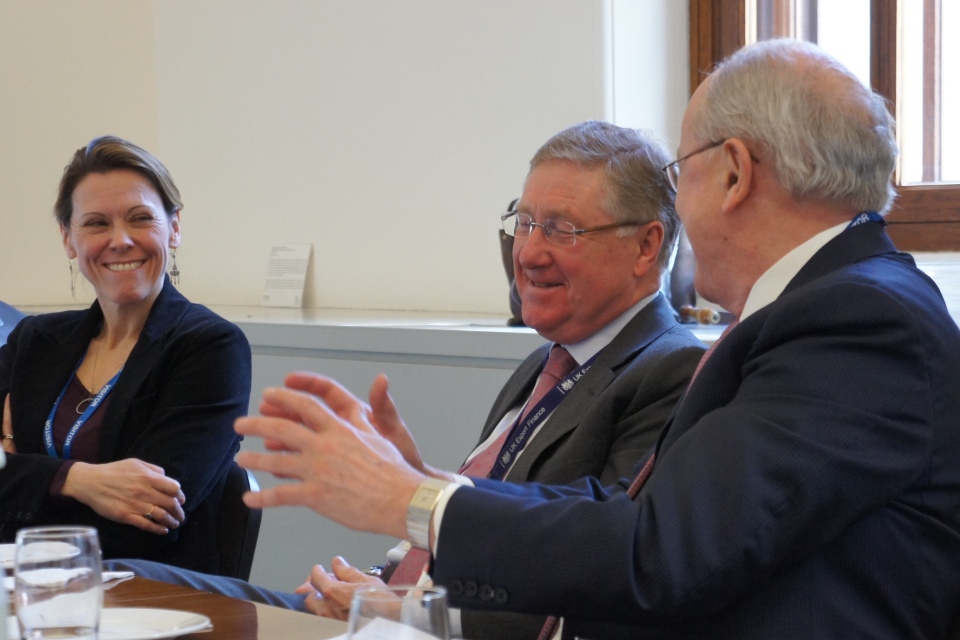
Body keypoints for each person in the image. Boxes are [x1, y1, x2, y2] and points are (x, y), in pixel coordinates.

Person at [234, 39, 960, 639]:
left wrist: (412, 500)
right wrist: (426, 488)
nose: (678, 201)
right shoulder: (839, 304)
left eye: (682, 170)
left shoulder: (857, 322)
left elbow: (662, 552)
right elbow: (639, 518)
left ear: (735, 172)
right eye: (526, 222)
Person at [108, 122, 705, 639]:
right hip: (382, 610)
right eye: (523, 224)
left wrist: (411, 613)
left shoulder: (669, 371)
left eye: (561, 229)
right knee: (121, 583)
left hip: (429, 628)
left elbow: (591, 595)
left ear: (645, 246)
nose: (528, 253)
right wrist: (376, 573)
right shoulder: (548, 361)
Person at [0, 136, 252, 573]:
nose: (120, 240)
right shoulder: (33, 340)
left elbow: (148, 520)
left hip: (151, 599)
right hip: (22, 595)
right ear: (68, 239)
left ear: (173, 228)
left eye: (140, 218)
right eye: (97, 223)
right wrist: (79, 480)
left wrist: (16, 471)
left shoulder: (210, 347)